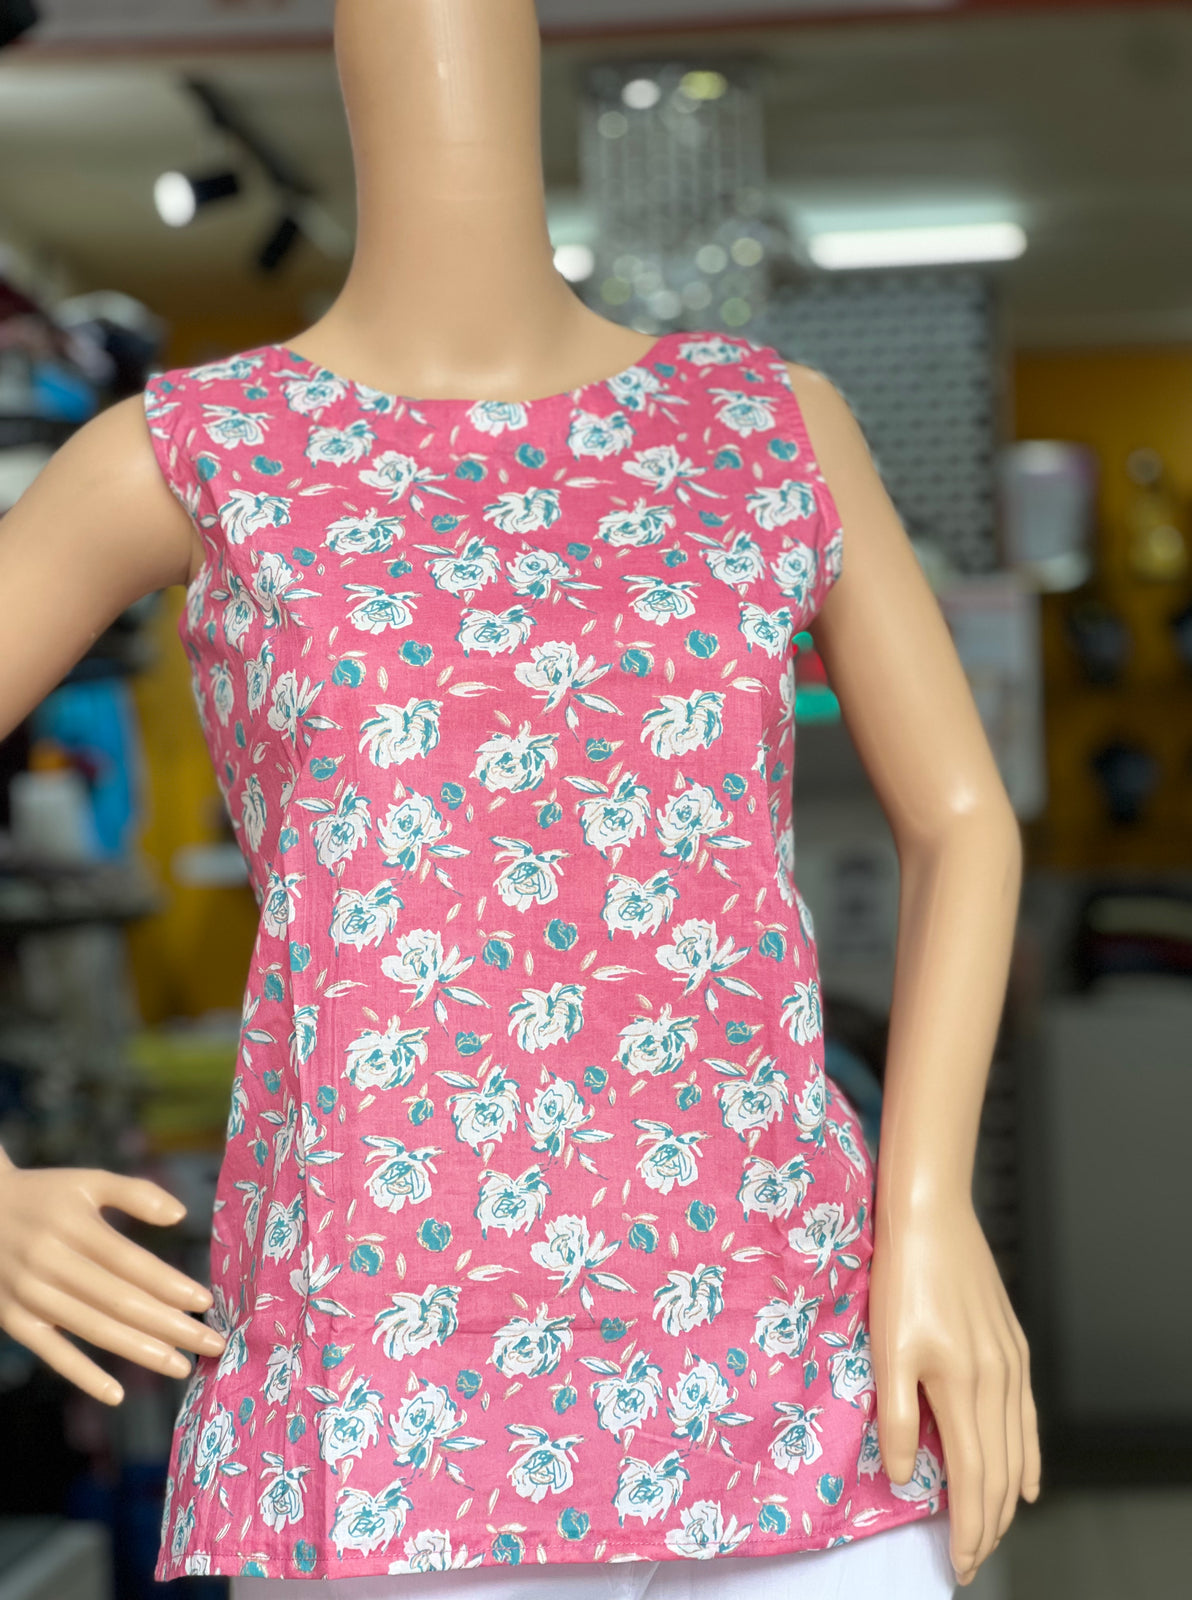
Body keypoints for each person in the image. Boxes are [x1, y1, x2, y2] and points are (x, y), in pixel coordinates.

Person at [0, 2, 1038, 1594]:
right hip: (392, 1378)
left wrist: (933, 1212)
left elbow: (963, 823)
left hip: (787, 1331)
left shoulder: (768, 428)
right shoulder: (198, 453)